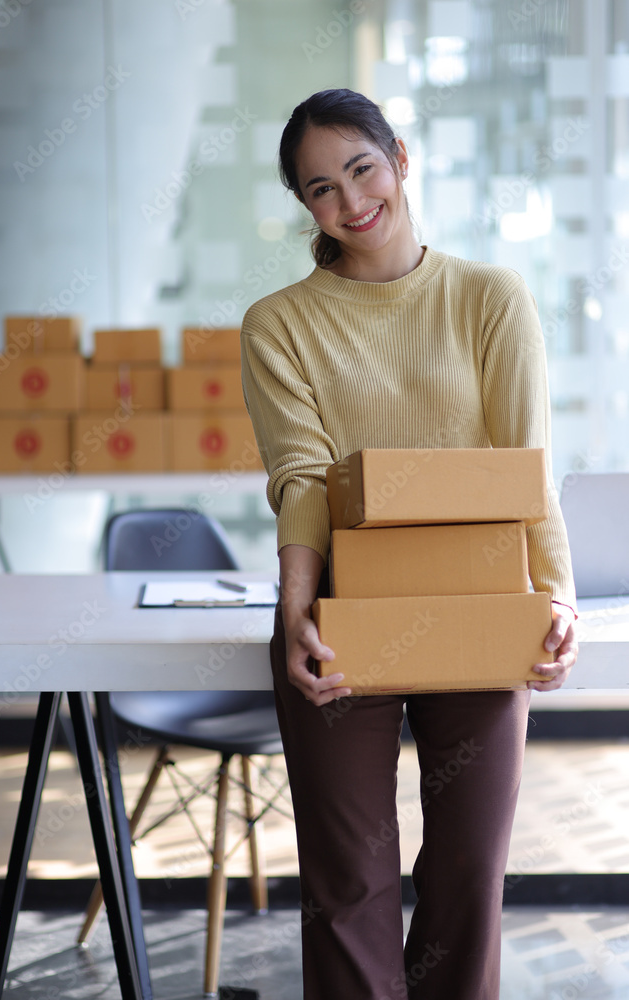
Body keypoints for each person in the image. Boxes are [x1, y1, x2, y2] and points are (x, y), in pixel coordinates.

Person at [240, 88, 578, 1000]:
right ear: (304, 207)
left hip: (479, 603)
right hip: (345, 609)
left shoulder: (488, 298)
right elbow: (303, 478)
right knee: (347, 883)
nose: (350, 202)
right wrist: (295, 606)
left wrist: (557, 597)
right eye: (319, 189)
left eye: (360, 168)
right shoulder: (280, 324)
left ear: (398, 156)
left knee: (468, 874)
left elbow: (524, 464)